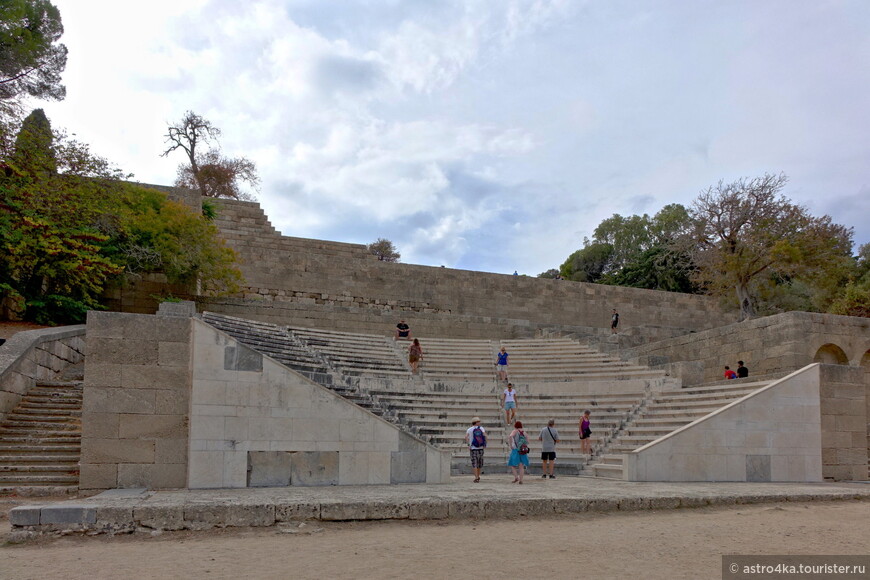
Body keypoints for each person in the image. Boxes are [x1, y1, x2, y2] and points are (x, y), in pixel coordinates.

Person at [465, 417, 487, 483]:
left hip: (473, 448)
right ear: (477, 422)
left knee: (474, 462)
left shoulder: (469, 429)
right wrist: (485, 444)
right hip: (480, 448)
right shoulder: (481, 428)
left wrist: (468, 444)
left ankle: (476, 477)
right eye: (479, 421)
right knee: (479, 463)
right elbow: (485, 436)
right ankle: (478, 475)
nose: (480, 423)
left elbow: (466, 437)